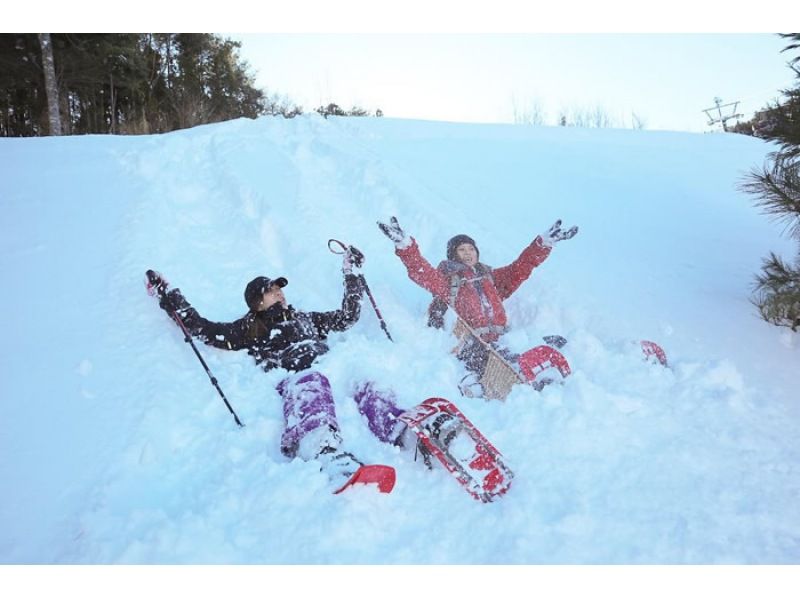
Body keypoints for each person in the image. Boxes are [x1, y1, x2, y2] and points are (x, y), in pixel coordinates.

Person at [150, 248, 409, 489]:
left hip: (332, 373)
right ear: (256, 303)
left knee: (363, 380)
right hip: (298, 382)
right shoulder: (250, 327)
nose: (279, 293)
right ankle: (324, 449)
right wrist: (170, 295)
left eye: (279, 289)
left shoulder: (305, 318)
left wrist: (351, 274)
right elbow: (204, 329)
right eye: (271, 291)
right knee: (313, 381)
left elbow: (347, 317)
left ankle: (402, 428)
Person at [377, 216, 578, 393]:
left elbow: (520, 268)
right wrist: (405, 246)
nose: (467, 253)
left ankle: (539, 374)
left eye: (471, 249)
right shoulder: (448, 282)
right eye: (461, 250)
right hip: (472, 344)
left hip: (500, 340)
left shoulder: (490, 278)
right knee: (499, 359)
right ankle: (513, 382)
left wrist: (542, 245)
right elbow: (421, 271)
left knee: (520, 349)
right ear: (452, 255)